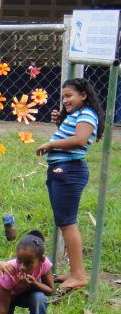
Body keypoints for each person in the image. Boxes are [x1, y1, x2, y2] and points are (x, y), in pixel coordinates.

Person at [35, 77, 104, 292]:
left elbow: (80, 140)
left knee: (68, 223)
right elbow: (72, 135)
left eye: (69, 96)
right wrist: (60, 123)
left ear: (83, 95)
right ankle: (75, 271)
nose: (65, 100)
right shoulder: (77, 114)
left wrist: (51, 144)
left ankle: (78, 275)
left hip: (69, 171)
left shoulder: (87, 114)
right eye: (63, 96)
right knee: (65, 222)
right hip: (62, 170)